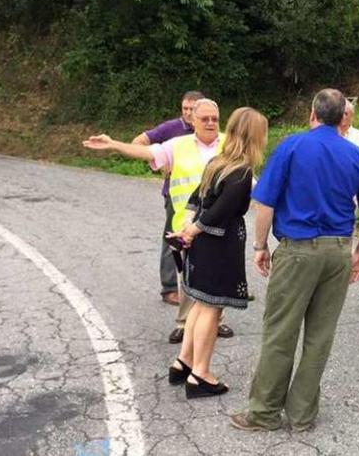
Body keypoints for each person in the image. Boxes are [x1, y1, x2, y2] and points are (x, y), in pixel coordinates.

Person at [229, 89, 359, 432]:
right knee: (320, 335)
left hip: (298, 249)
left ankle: (264, 413)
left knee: (280, 332)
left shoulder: (291, 146)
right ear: (344, 116)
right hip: (339, 251)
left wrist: (259, 245)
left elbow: (266, 202)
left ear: (312, 113)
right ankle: (301, 416)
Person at [83, 98, 235, 344]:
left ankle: (217, 320)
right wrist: (113, 145)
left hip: (220, 223)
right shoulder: (177, 145)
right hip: (186, 224)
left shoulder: (231, 144)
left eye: (214, 119)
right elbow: (145, 151)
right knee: (187, 274)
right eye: (204, 118)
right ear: (192, 120)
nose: (210, 123)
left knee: (218, 273)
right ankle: (185, 323)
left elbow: (245, 177)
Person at [165, 107, 268, 398]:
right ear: (255, 136)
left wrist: (187, 226)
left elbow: (196, 199)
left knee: (199, 303)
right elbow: (219, 212)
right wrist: (192, 230)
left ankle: (183, 361)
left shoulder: (217, 162)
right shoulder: (242, 171)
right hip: (220, 246)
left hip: (202, 246)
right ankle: (201, 374)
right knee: (212, 308)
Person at [131, 91, 204, 306]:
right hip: (177, 196)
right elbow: (138, 142)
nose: (188, 113)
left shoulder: (208, 129)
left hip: (204, 195)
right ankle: (170, 287)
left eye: (192, 109)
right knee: (173, 238)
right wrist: (162, 165)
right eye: (185, 109)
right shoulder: (171, 128)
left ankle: (205, 285)